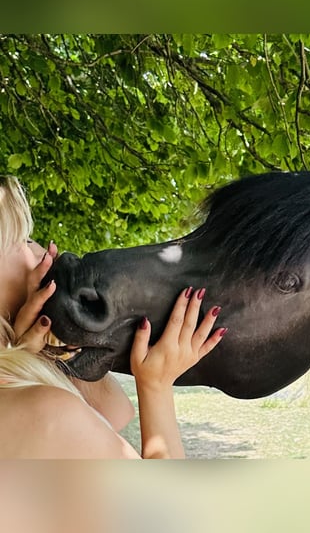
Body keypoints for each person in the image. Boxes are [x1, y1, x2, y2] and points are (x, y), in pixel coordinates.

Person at [0, 175, 227, 458]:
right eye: (23, 238)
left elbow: (115, 412)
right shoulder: (48, 412)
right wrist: (156, 386)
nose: (45, 251)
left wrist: (43, 353)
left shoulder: (21, 391)